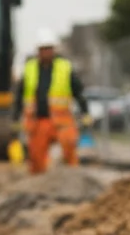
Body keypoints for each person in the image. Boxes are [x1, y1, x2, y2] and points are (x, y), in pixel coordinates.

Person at [11, 29, 89, 174]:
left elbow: (78, 91)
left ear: (54, 50)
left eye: (48, 49)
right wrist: (16, 117)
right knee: (36, 157)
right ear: (38, 51)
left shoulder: (64, 67)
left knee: (69, 150)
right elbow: (20, 95)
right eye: (43, 49)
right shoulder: (29, 68)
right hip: (38, 121)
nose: (45, 52)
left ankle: (73, 182)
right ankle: (39, 185)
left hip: (62, 121)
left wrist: (85, 112)